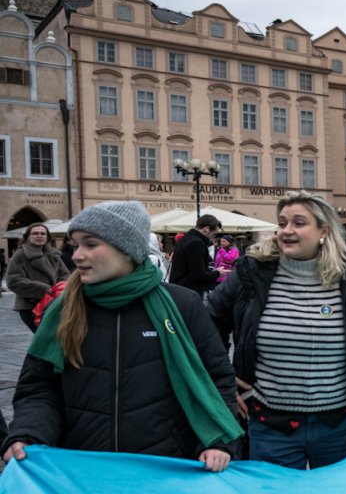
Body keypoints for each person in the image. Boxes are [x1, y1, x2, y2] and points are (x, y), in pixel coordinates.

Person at [3, 201, 242, 473]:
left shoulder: (183, 305)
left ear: (127, 248)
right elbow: (39, 387)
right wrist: (28, 433)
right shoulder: (63, 309)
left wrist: (217, 443)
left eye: (90, 244)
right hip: (81, 469)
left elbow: (216, 378)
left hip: (166, 468)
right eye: (76, 245)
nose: (77, 255)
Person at [208, 191, 346, 470]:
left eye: (299, 223)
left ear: (324, 231)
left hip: (340, 426)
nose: (287, 230)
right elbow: (207, 327)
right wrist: (225, 382)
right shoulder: (252, 274)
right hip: (272, 426)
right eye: (282, 223)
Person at [7, 222, 70, 332]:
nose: (39, 236)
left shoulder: (54, 254)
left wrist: (59, 288)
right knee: (45, 337)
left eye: (43, 234)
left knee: (55, 337)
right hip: (31, 306)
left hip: (54, 303)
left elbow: (64, 274)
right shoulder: (21, 255)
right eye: (35, 233)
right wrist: (44, 289)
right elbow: (13, 281)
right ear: (28, 237)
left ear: (47, 237)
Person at [169, 214, 222, 295]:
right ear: (207, 229)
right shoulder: (196, 243)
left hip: (180, 290)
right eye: (213, 234)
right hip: (188, 292)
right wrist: (217, 273)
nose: (213, 238)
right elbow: (198, 275)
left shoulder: (186, 238)